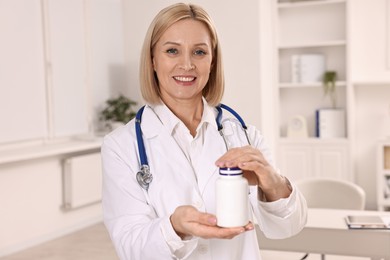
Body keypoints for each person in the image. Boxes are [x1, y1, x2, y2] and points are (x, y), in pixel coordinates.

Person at [101, 3, 307, 260]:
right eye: (172, 51)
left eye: (199, 52)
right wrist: (175, 227)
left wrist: (273, 182)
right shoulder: (121, 146)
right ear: (153, 60)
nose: (186, 65)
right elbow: (130, 246)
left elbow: (288, 226)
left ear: (212, 62)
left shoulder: (242, 135)